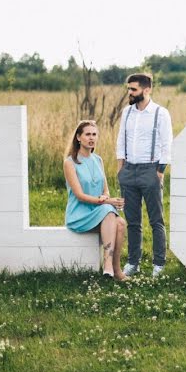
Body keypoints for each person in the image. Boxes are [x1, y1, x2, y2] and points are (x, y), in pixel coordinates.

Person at [116, 73, 173, 277]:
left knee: (156, 220)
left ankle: (159, 264)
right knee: (132, 221)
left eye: (133, 89)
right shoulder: (127, 112)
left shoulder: (160, 113)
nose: (129, 93)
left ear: (146, 90)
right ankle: (133, 262)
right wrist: (120, 168)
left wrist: (160, 171)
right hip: (129, 170)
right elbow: (121, 140)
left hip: (151, 170)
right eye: (129, 89)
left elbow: (167, 144)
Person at [64, 120, 127, 280]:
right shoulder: (69, 163)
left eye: (94, 134)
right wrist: (109, 202)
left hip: (100, 211)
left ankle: (116, 270)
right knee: (109, 211)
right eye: (87, 134)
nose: (91, 138)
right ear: (78, 137)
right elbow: (80, 195)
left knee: (121, 224)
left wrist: (106, 197)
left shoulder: (98, 160)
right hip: (80, 214)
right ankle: (108, 265)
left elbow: (105, 189)